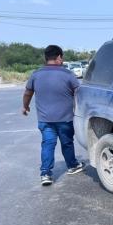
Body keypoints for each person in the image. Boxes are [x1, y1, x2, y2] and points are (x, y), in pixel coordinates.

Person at [22, 45, 85, 186]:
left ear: (46, 58)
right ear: (58, 58)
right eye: (61, 57)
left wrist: (25, 107)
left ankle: (45, 174)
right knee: (67, 143)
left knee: (48, 145)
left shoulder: (36, 74)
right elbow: (79, 93)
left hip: (45, 120)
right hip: (65, 119)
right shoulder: (67, 74)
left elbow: (27, 93)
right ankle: (72, 166)